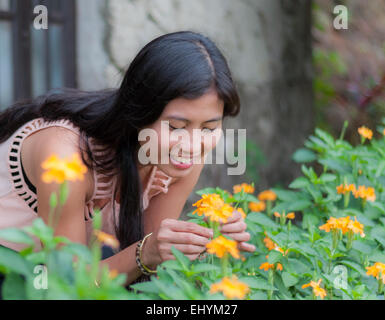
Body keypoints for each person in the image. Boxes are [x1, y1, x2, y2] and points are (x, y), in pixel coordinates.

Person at [0, 31, 255, 289]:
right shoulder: (66, 156)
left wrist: (206, 240)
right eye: (177, 126)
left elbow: (152, 264)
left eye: (209, 128)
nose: (191, 145)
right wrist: (145, 253)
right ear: (140, 112)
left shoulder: (183, 157)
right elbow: (67, 285)